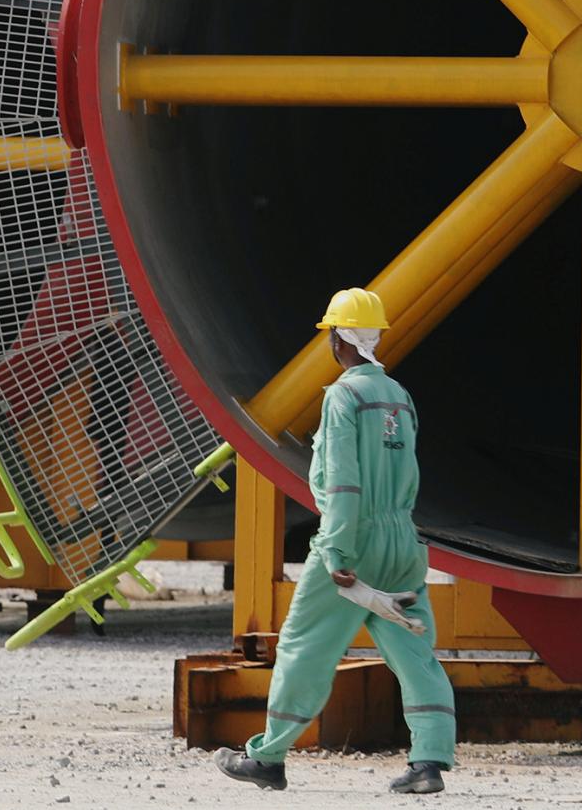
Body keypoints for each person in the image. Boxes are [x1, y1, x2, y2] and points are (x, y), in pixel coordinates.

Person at [214, 287, 454, 795]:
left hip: (354, 540)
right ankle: (429, 761)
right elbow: (406, 472)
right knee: (414, 650)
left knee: (305, 648)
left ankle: (268, 757)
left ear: (339, 341)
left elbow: (343, 481)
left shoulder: (344, 396)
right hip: (401, 541)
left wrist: (340, 551)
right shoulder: (398, 396)